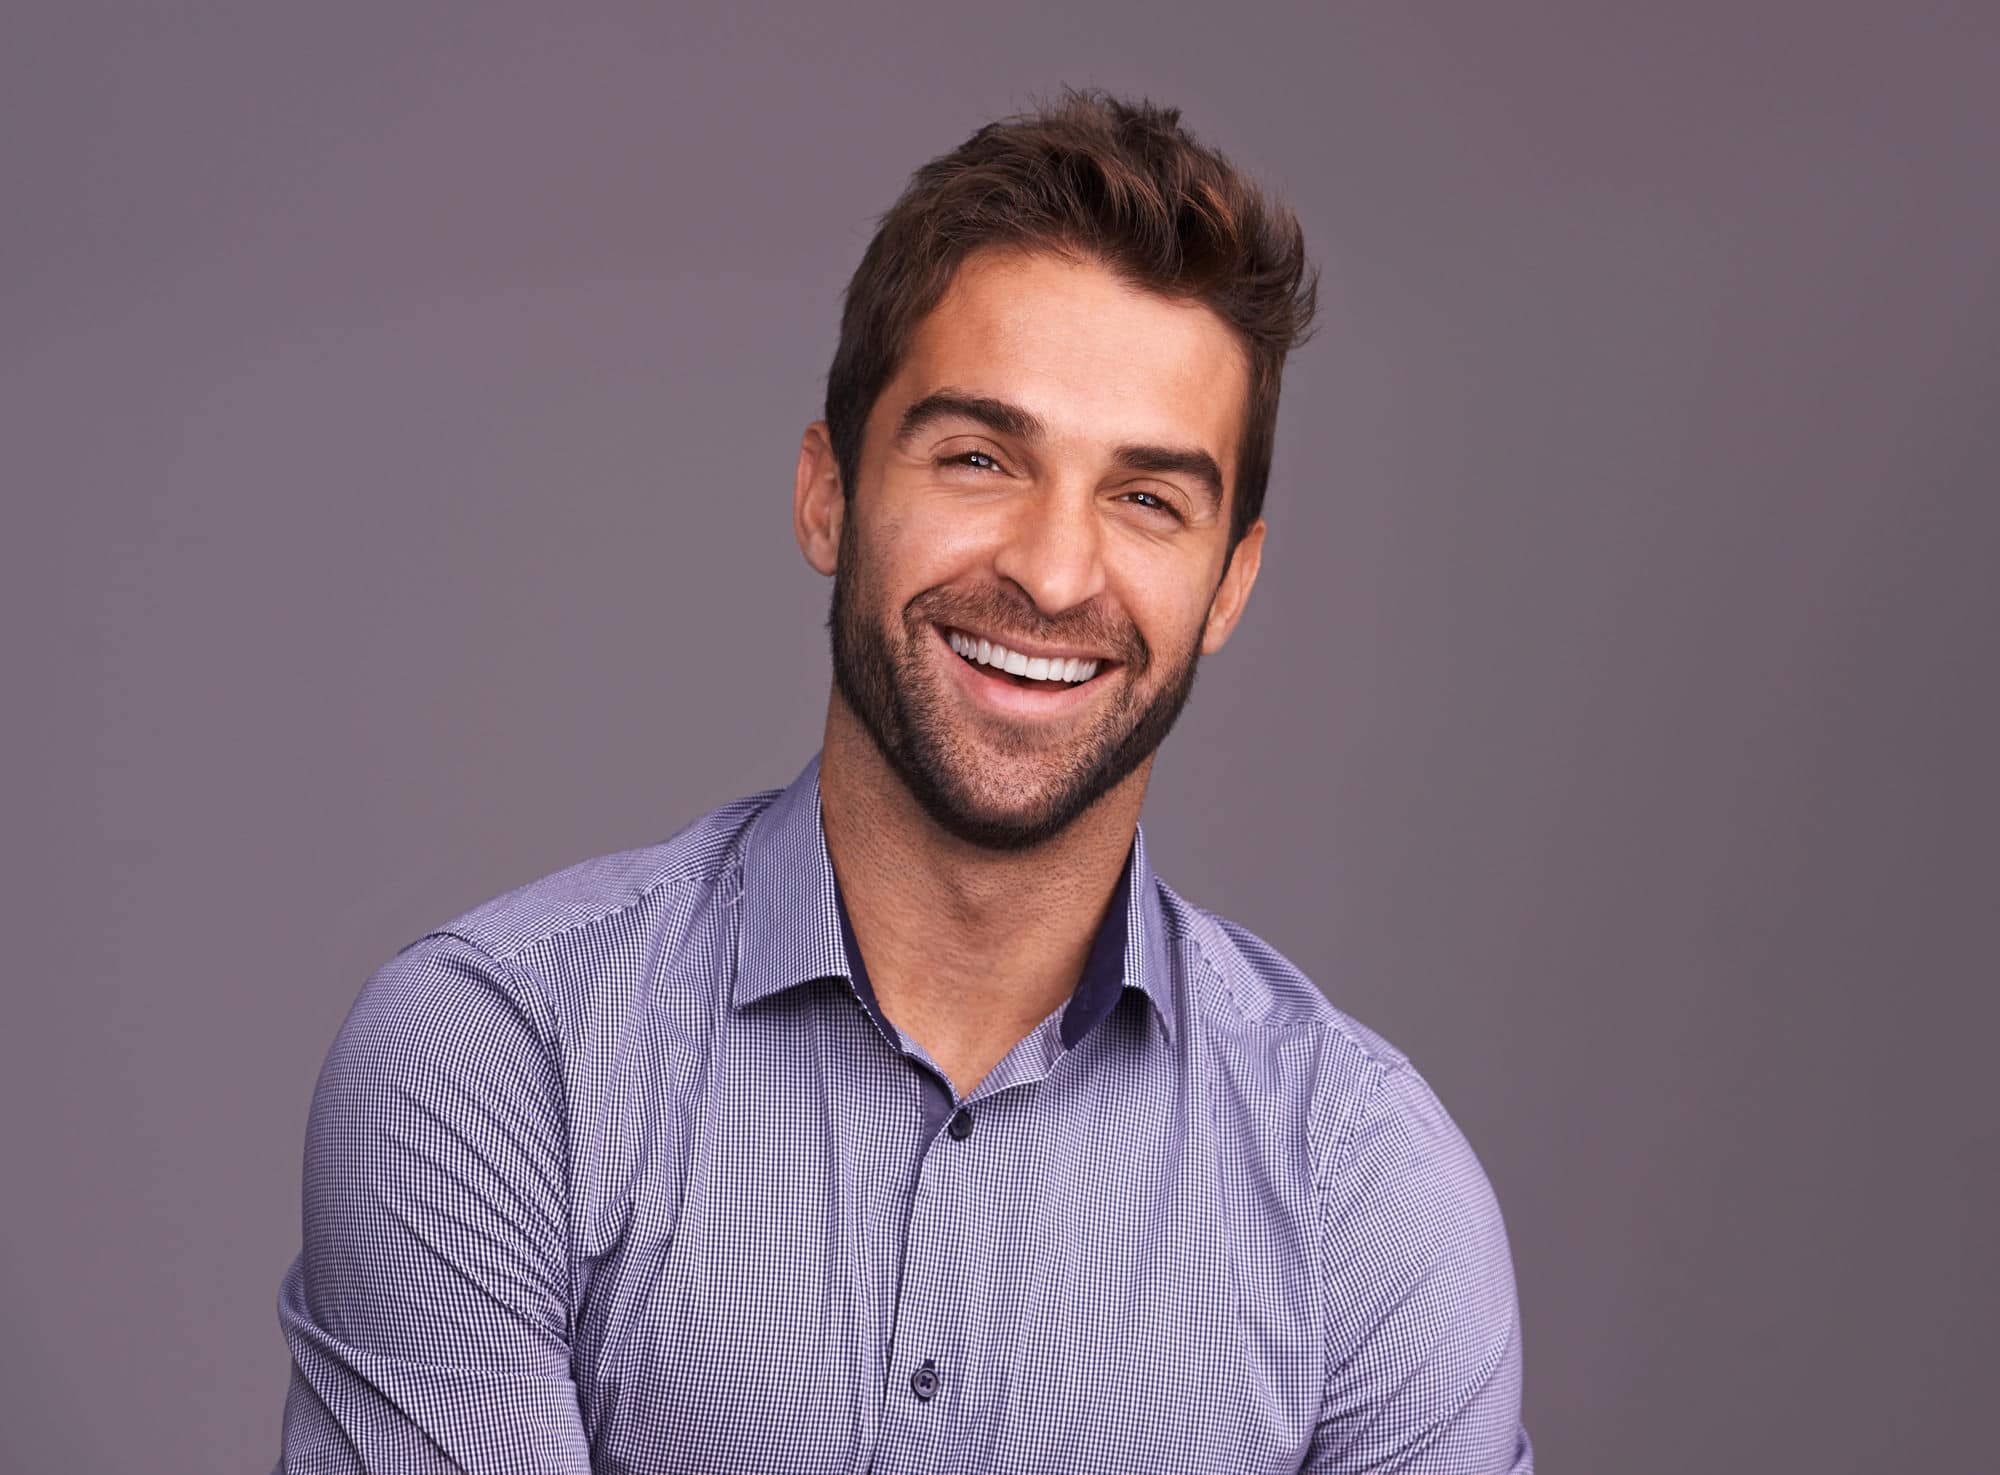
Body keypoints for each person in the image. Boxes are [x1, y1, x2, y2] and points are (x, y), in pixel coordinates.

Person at [275, 90, 1533, 1474]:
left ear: (1229, 581)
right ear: (830, 492)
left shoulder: (1366, 1194)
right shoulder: (507, 1062)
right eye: (980, 459)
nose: (1053, 573)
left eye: (1147, 498)